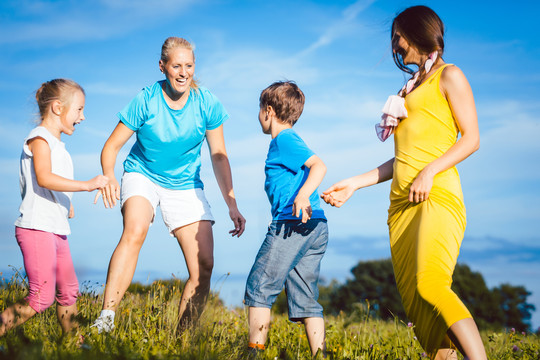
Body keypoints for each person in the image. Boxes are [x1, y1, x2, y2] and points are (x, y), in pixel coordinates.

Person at [322, 6, 487, 360]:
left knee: (431, 284)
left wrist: (429, 171)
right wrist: (354, 183)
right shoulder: (408, 90)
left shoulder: (450, 76)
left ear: (416, 34)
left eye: (397, 37)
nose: (394, 45)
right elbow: (402, 159)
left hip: (437, 197)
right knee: (421, 308)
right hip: (401, 207)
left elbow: (471, 138)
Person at [91, 37, 245, 334]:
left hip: (185, 183)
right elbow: (111, 147)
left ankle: (182, 339)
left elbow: (218, 155)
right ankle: (105, 320)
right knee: (135, 229)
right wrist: (108, 174)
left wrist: (232, 204)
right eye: (176, 66)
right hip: (142, 173)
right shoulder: (146, 100)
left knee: (205, 265)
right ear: (162, 67)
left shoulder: (207, 103)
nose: (183, 72)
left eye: (189, 65)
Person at [0, 79, 108, 336]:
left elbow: (51, 184)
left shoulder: (59, 146)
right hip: (37, 228)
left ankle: (74, 344)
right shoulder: (39, 138)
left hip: (56, 229)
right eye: (79, 109)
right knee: (41, 297)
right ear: (58, 108)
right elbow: (44, 177)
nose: (82, 117)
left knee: (69, 291)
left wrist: (65, 203)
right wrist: (87, 185)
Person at [244, 81, 328, 357]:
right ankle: (320, 354)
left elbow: (319, 165)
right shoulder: (289, 141)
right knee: (305, 297)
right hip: (315, 226)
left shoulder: (285, 140)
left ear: (268, 111)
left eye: (259, 109)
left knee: (259, 286)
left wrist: (302, 196)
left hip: (292, 224)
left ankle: (253, 353)